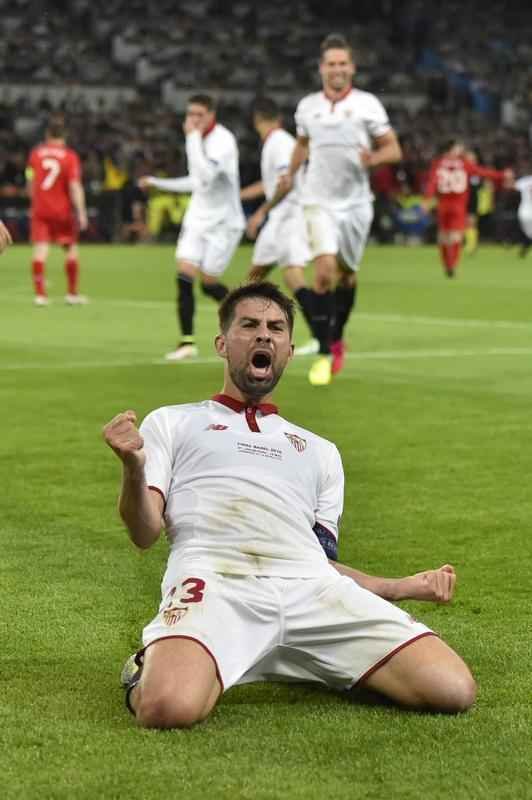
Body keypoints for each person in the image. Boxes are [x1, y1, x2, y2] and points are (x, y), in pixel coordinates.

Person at [103, 281, 476, 730]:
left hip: (312, 592)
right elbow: (144, 532)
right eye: (250, 325)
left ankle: (296, 654)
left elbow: (320, 561)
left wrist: (397, 586)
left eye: (276, 328)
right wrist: (133, 467)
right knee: (167, 709)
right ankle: (150, 664)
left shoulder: (321, 451)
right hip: (216, 582)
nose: (264, 335)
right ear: (222, 343)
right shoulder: (174, 422)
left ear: (289, 349)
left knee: (452, 690)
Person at [276, 33, 402, 386]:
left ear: (352, 68)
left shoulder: (368, 105)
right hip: (318, 200)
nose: (337, 69)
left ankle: (337, 335)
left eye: (343, 63)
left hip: (356, 205)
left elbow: (394, 150)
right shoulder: (307, 107)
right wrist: (291, 171)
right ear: (321, 69)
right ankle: (324, 352)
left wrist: (373, 158)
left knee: (347, 275)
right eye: (331, 64)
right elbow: (302, 144)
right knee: (324, 271)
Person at [139, 95, 245, 361]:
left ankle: (247, 313)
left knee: (209, 283)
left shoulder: (223, 141)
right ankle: (187, 341)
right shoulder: (198, 141)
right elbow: (197, 182)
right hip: (199, 217)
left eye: (199, 114)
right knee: (184, 272)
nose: (194, 120)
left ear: (212, 115)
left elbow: (207, 175)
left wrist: (192, 138)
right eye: (190, 114)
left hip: (224, 221)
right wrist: (157, 183)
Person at [241, 97, 315, 344]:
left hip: (290, 215)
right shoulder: (277, 142)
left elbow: (286, 182)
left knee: (292, 274)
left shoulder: (279, 143)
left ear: (255, 121)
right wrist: (238, 196)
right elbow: (270, 183)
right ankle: (242, 329)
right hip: (280, 216)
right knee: (254, 277)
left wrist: (261, 211)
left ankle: (321, 333)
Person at [423, 140, 512, 278]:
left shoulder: (438, 163)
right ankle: (452, 265)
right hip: (458, 203)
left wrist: (427, 199)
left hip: (443, 203)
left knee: (443, 236)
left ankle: (446, 264)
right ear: (451, 149)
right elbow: (482, 172)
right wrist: (501, 175)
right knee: (456, 235)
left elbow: (432, 182)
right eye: (458, 148)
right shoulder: (463, 164)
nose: (460, 150)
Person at [26, 113, 88, 306]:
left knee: (40, 252)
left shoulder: (35, 154)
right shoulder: (70, 157)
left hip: (40, 209)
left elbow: (30, 181)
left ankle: (40, 296)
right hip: (62, 211)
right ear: (65, 135)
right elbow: (75, 186)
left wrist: (34, 201)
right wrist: (81, 212)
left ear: (47, 134)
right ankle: (71, 294)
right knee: (70, 249)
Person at [514, 168, 532, 258]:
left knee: (528, 233)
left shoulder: (524, 181)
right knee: (529, 233)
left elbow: (513, 187)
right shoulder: (525, 180)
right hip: (527, 211)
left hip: (524, 211)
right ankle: (524, 249)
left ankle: (523, 250)